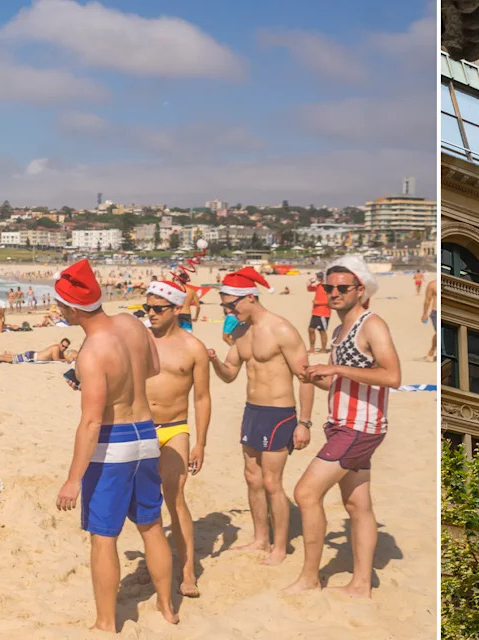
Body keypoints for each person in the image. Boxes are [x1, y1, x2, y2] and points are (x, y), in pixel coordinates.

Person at [52, 259, 178, 630]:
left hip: (114, 442)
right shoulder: (132, 323)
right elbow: (153, 368)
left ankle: (106, 623)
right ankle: (168, 608)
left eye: (61, 306)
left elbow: (91, 422)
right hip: (146, 434)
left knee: (103, 537)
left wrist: (73, 479)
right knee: (151, 526)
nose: (59, 312)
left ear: (74, 309)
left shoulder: (92, 351)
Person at [286, 255, 400, 598]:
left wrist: (337, 371)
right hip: (342, 425)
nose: (333, 293)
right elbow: (342, 384)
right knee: (357, 506)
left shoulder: (371, 324)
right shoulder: (339, 330)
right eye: (328, 287)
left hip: (359, 426)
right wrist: (317, 375)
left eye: (342, 288)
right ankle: (361, 584)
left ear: (360, 289)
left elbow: (392, 376)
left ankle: (310, 577)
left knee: (306, 493)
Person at [208, 267, 315, 565]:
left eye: (232, 304)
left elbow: (304, 377)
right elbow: (230, 374)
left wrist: (304, 423)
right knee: (251, 477)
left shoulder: (281, 329)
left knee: (271, 482)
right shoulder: (240, 332)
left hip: (279, 413)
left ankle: (280, 547)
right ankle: (260, 538)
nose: (229, 311)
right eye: (225, 306)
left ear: (251, 298)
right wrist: (215, 361)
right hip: (252, 411)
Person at [144, 280, 211, 597]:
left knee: (175, 496)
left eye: (158, 309)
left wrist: (201, 442)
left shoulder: (193, 347)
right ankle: (155, 562)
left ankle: (187, 571)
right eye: (148, 308)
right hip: (141, 427)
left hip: (175, 427)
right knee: (146, 500)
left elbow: (202, 398)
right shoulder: (140, 340)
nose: (151, 314)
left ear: (176, 309)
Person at [0, 338, 76, 363]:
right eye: (63, 345)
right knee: (9, 359)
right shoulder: (56, 348)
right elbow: (56, 359)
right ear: (60, 343)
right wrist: (67, 360)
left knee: (11, 357)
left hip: (32, 355)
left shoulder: (57, 348)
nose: (63, 348)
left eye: (65, 347)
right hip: (32, 357)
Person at [306, 271, 331, 353]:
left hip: (324, 313)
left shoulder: (328, 287)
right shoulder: (319, 285)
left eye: (320, 276)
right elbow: (310, 289)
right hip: (315, 312)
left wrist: (318, 302)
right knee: (311, 330)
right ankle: (312, 348)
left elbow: (331, 301)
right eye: (318, 276)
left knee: (322, 331)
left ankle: (323, 349)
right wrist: (309, 283)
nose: (318, 278)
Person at [421, 278, 437, 361]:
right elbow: (427, 300)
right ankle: (432, 350)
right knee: (438, 332)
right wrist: (425, 314)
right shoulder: (432, 284)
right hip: (436, 312)